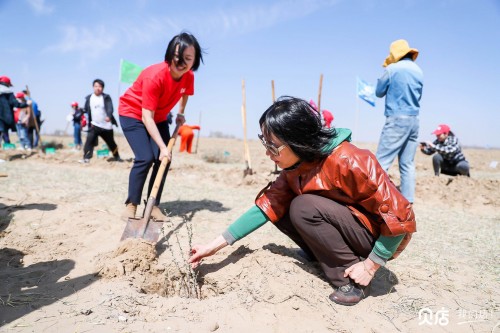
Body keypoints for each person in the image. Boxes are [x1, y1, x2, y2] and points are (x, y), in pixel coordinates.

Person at [189, 97, 416, 306]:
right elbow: (265, 207)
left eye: (272, 146)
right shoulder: (295, 168)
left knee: (303, 206)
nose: (268, 153)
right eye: (264, 143)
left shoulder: (350, 160)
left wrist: (370, 265)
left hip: (376, 237)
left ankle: (352, 281)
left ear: (297, 142)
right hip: (348, 228)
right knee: (280, 207)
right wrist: (212, 247)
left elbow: (401, 219)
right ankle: (319, 253)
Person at [118, 32, 204, 221]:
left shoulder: (188, 76)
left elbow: (185, 93)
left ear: (194, 60)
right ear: (169, 54)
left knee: (164, 160)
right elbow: (146, 117)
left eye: (188, 58)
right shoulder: (154, 76)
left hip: (158, 116)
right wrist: (163, 147)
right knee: (145, 157)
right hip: (133, 113)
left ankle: (154, 205)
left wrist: (181, 113)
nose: (181, 62)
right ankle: (131, 205)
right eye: (177, 57)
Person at [375, 39, 423, 204]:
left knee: (381, 162)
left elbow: (379, 92)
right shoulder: (418, 70)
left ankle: (375, 199)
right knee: (407, 163)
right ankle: (408, 201)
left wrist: (387, 68)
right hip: (414, 120)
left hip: (397, 119)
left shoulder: (392, 69)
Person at [80, 79, 120, 163]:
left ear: (103, 88)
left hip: (106, 126)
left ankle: (117, 156)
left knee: (111, 143)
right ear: (93, 87)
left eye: (100, 86)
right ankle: (86, 158)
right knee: (89, 142)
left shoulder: (106, 97)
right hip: (94, 125)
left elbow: (110, 108)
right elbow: (85, 110)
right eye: (96, 86)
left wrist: (109, 116)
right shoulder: (89, 98)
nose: (98, 88)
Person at [0, 76, 31, 148]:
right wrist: (27, 103)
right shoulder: (8, 92)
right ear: (7, 84)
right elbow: (16, 104)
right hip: (2, 118)